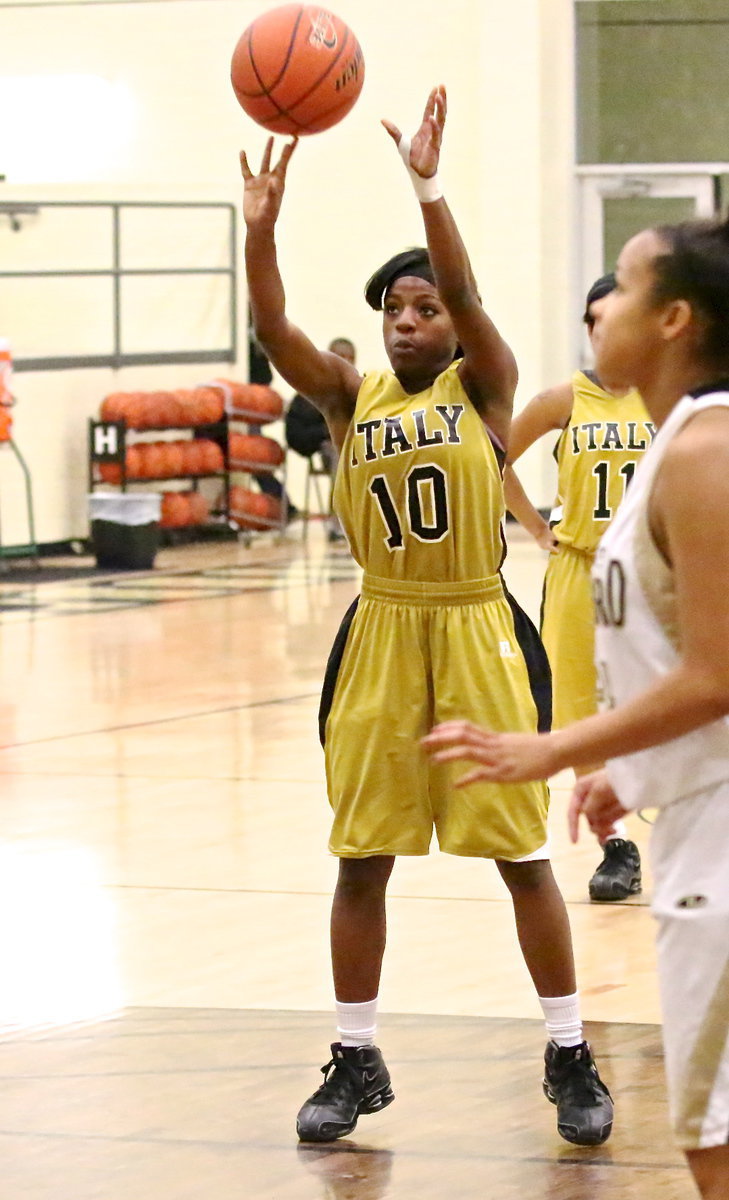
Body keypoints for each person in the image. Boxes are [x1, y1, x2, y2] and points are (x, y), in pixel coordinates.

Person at [240, 86, 613, 1149]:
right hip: (383, 628)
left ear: (452, 320)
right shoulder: (352, 400)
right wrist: (261, 233)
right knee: (362, 854)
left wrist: (428, 185)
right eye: (393, 312)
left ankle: (569, 1048)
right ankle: (356, 1057)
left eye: (423, 309)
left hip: (479, 623)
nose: (408, 322)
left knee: (519, 854)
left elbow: (463, 283)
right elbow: (276, 330)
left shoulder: (486, 386)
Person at [423, 214, 729, 1199]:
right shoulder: (682, 437)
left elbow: (718, 674)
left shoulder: (703, 452)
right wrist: (621, 767)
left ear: (677, 318)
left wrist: (551, 750)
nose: (602, 314)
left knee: (714, 1142)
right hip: (692, 806)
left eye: (628, 291)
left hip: (719, 832)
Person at [503, 274, 654, 902]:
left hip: (651, 571)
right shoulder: (564, 399)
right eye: (598, 319)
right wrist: (537, 527)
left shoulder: (668, 398)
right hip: (578, 569)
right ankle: (615, 843)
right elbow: (492, 458)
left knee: (662, 698)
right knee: (576, 710)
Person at [285, 337, 356, 541]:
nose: (345, 362)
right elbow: (295, 435)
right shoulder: (311, 391)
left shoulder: (362, 387)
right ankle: (339, 523)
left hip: (366, 449)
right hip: (331, 450)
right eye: (339, 357)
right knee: (339, 453)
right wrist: (325, 432)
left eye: (349, 358)